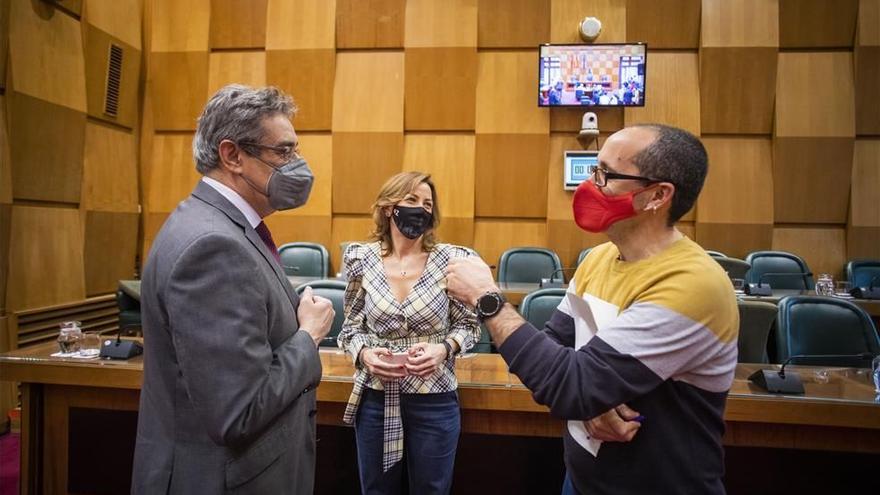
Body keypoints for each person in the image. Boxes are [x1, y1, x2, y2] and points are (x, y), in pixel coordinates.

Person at [446, 124, 738, 494]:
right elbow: (555, 347)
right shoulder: (600, 258)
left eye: (605, 175)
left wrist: (488, 299)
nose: (590, 185)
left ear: (657, 196)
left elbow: (570, 384)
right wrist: (590, 399)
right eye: (592, 170)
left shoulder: (692, 284)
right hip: (585, 478)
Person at [132, 84, 335, 494]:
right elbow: (239, 410)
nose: (297, 165)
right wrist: (308, 336)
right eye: (283, 152)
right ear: (233, 155)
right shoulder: (213, 246)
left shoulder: (217, 226)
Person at [338, 171, 480, 495]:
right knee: (376, 490)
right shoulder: (361, 259)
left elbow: (470, 327)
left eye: (428, 203)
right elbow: (350, 330)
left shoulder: (453, 260)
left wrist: (443, 349)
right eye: (412, 200)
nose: (421, 209)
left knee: (432, 489)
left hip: (435, 399)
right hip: (375, 396)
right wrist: (364, 355)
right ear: (389, 208)